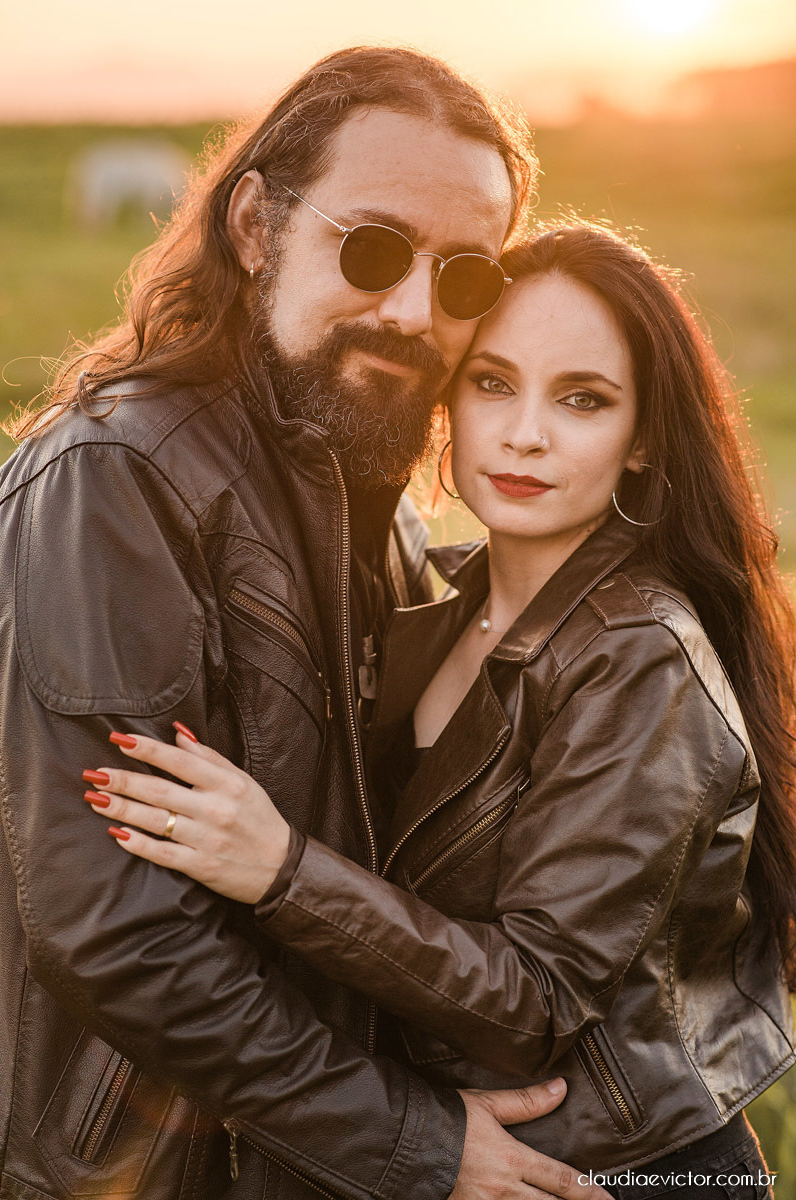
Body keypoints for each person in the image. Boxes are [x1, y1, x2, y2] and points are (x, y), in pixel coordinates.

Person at [0, 48, 611, 1200]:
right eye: (372, 248)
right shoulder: (112, 485)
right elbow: (121, 937)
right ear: (254, 225)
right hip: (148, 1173)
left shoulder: (357, 487)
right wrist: (419, 1143)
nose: (414, 311)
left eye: (465, 276)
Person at [93, 222, 796, 1199]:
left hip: (625, 1171)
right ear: (447, 401)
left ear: (643, 442)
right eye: (494, 382)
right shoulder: (438, 604)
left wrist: (279, 869)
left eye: (583, 400)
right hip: (474, 1155)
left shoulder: (641, 655)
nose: (525, 433)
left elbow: (541, 997)